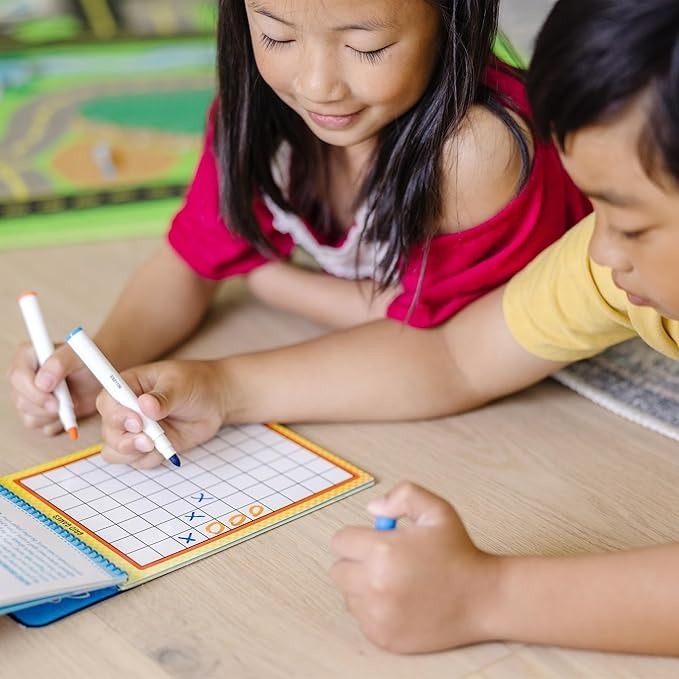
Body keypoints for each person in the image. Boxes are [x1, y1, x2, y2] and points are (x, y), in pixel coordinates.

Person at [92, 0, 679, 657]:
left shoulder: (480, 147)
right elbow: (456, 355)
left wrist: (489, 595)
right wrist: (220, 386)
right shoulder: (603, 266)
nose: (593, 250)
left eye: (628, 223)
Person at [8, 0, 588, 437]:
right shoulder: (261, 114)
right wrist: (101, 358)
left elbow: (433, 334)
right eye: (276, 35)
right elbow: (191, 260)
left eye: (366, 48)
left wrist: (265, 278)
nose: (316, 85)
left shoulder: (472, 149)